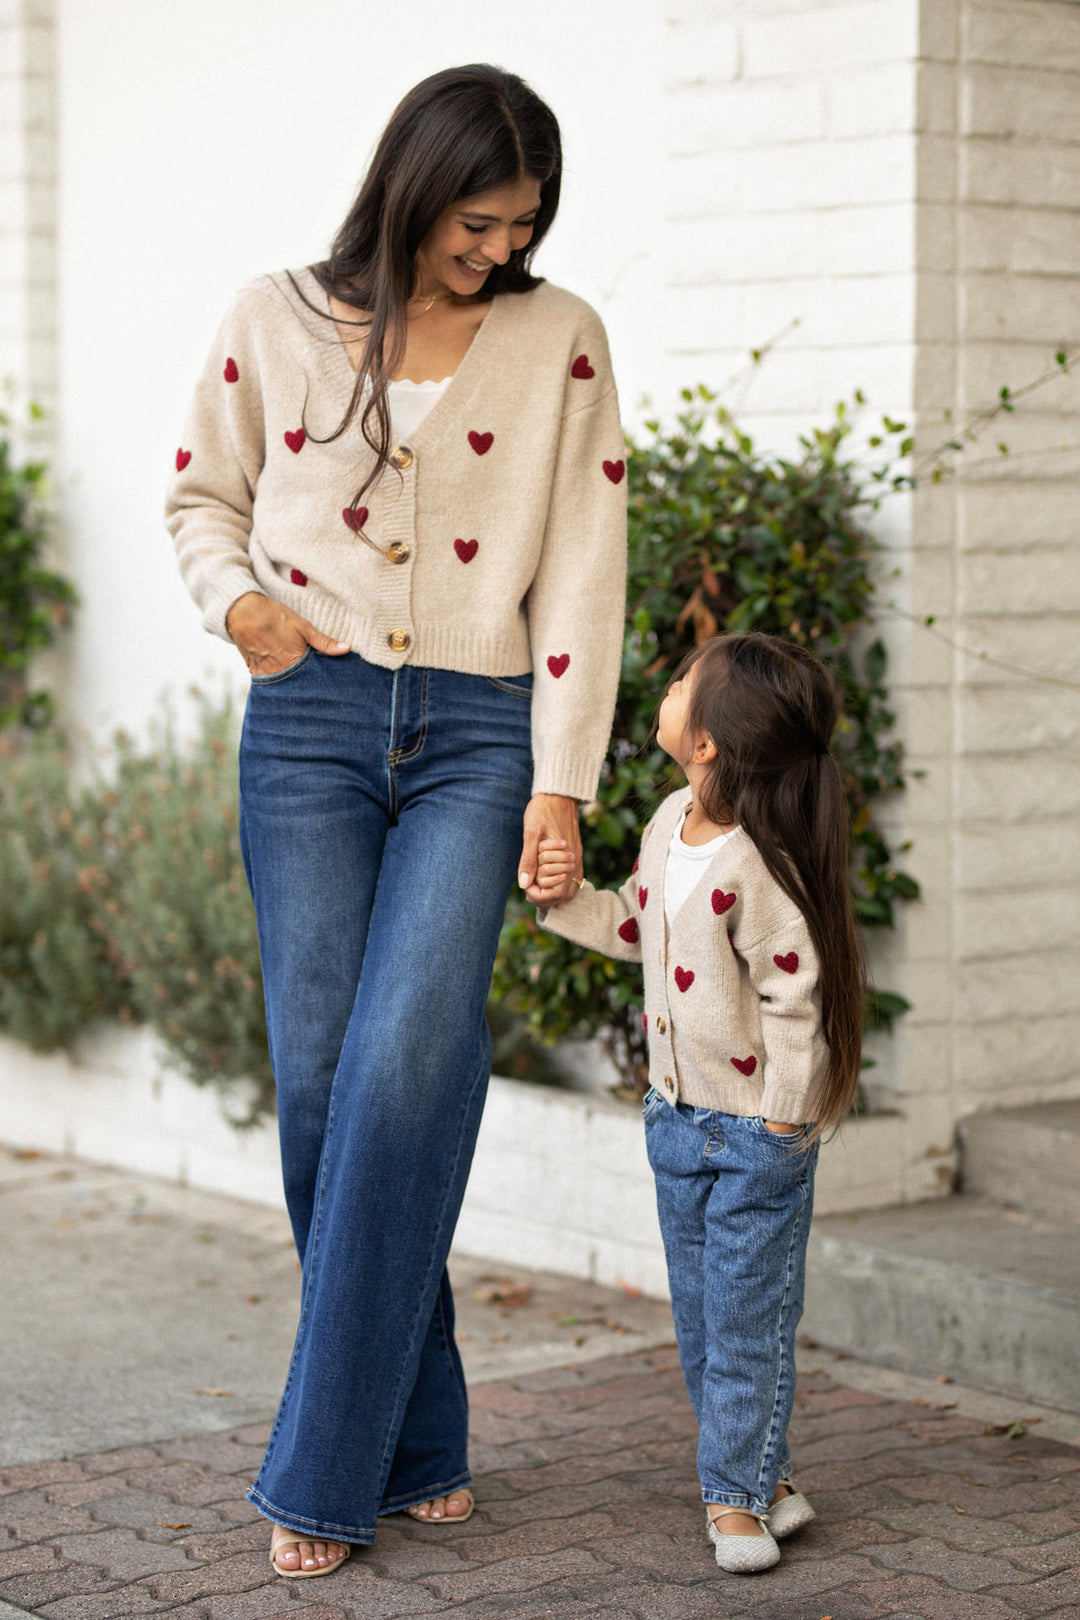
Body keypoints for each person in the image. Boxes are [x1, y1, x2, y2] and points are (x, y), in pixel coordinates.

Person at [165, 64, 626, 1578]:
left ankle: (320, 1469)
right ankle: (423, 1428)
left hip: (482, 733)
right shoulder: (273, 318)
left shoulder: (562, 343)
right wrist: (240, 607)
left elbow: (583, 563)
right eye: (475, 222)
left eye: (523, 226)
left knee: (411, 1065)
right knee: (321, 1088)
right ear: (412, 187)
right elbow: (199, 498)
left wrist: (563, 776)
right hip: (308, 726)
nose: (498, 250)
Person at [535, 631, 864, 1574]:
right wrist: (568, 902)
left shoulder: (759, 864)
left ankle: (732, 1503)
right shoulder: (669, 822)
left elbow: (796, 996)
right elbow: (642, 928)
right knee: (707, 1325)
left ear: (710, 738)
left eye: (683, 682)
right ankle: (769, 1478)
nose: (668, 686)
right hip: (676, 1125)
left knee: (748, 1323)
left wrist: (784, 1120)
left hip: (755, 1131)